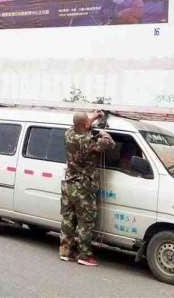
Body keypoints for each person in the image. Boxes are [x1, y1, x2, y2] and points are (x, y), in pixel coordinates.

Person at [60, 111, 115, 266]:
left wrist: (94, 117)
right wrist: (103, 131)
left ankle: (66, 252)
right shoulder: (88, 141)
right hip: (83, 187)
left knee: (68, 219)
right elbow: (110, 143)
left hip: (68, 184)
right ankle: (84, 256)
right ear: (85, 125)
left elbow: (81, 123)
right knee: (85, 222)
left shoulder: (68, 134)